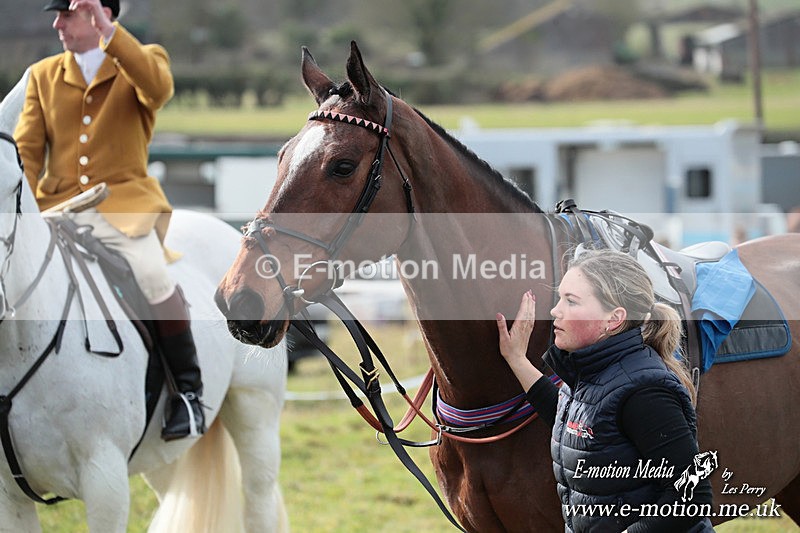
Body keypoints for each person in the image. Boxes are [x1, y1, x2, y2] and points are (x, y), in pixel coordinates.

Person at [14, 0, 204, 441]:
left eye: (67, 13)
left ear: (99, 14)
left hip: (124, 208)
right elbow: (26, 154)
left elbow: (157, 90)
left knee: (152, 274)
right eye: (56, 15)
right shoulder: (43, 75)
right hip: (57, 210)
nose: (57, 23)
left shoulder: (145, 59)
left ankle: (189, 394)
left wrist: (106, 27)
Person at [496, 249, 714, 532]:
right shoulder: (589, 370)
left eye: (571, 301)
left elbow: (693, 497)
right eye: (560, 297)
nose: (555, 310)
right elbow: (576, 423)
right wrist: (516, 359)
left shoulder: (645, 391)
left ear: (614, 319)